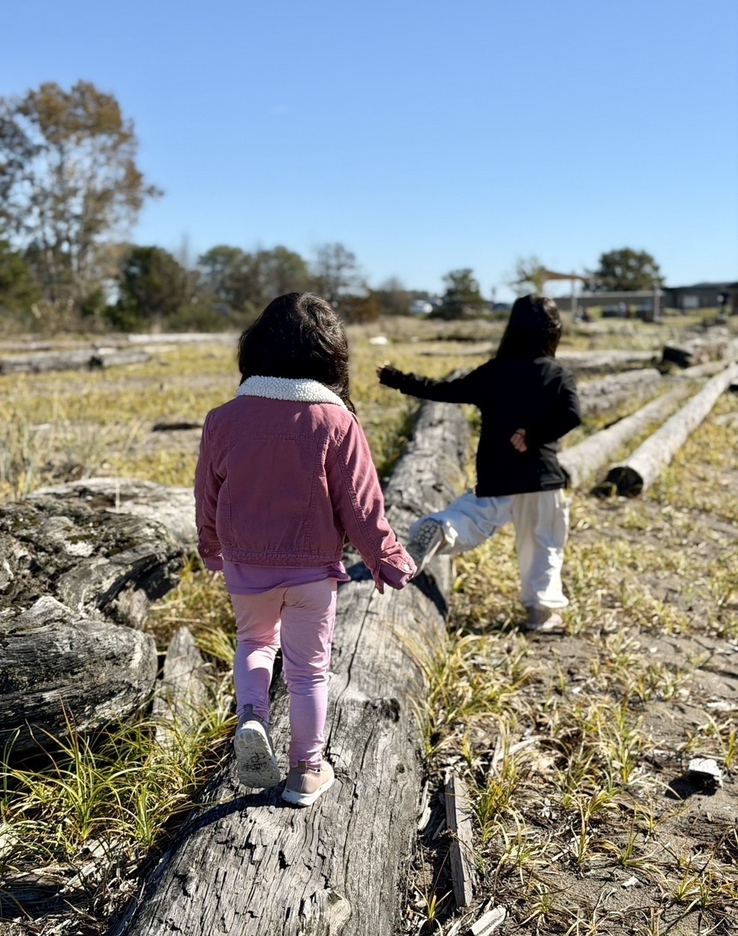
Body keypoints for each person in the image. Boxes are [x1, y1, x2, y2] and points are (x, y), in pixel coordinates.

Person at [195, 293, 415, 807]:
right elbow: (362, 507)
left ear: (256, 349)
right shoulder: (335, 422)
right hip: (312, 568)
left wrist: (211, 545)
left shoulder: (223, 419)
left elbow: (209, 492)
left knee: (254, 642)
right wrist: (386, 559)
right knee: (309, 669)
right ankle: (306, 771)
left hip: (246, 563)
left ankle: (252, 718)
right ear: (329, 355)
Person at [378, 293, 581, 632]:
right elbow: (572, 415)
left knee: (472, 518)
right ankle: (540, 614)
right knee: (543, 542)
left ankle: (442, 528)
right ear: (553, 332)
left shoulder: (494, 372)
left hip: (498, 470)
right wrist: (533, 436)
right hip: (541, 476)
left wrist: (397, 378)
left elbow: (445, 391)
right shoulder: (558, 375)